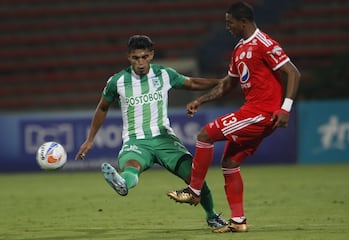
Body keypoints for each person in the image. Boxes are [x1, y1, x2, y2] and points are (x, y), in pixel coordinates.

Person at [167, 1, 301, 233]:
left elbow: (293, 72)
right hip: (254, 112)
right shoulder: (239, 49)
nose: (227, 26)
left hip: (262, 112)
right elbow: (227, 85)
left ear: (244, 22)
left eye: (230, 22)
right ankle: (238, 221)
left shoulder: (264, 43)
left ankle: (194, 191)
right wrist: (201, 100)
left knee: (205, 134)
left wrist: (285, 108)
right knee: (229, 163)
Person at [75, 35, 227, 229]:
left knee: (195, 178)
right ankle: (122, 183)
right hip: (136, 141)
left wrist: (221, 82)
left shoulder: (164, 74)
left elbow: (192, 83)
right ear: (128, 57)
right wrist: (90, 140)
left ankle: (211, 215)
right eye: (135, 58)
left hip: (165, 139)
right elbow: (102, 107)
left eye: (144, 57)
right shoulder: (117, 81)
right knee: (131, 166)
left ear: (152, 55)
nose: (140, 62)